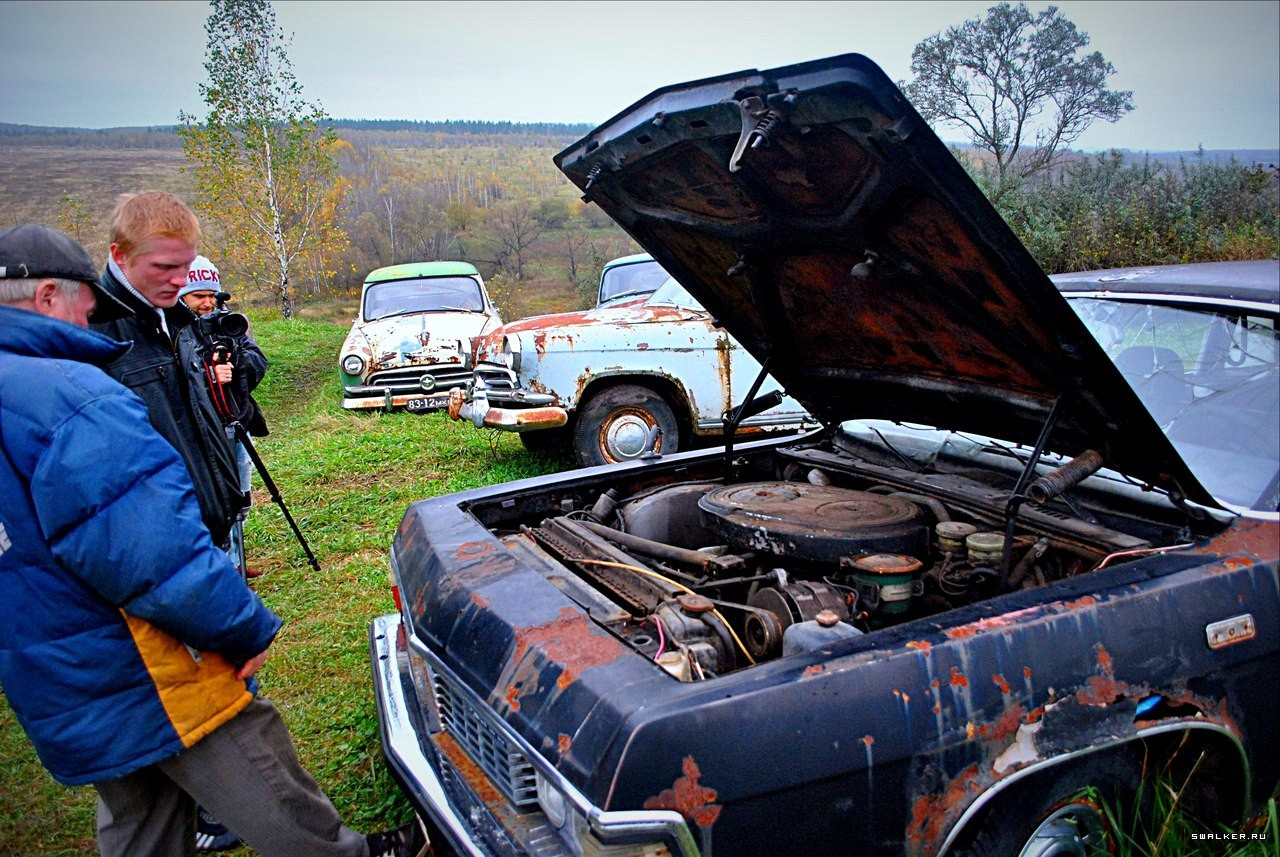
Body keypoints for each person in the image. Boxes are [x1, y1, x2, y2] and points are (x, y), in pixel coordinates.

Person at [0, 224, 426, 857]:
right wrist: (237, 628)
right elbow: (146, 551)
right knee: (249, 756)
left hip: (50, 657)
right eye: (86, 298)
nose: (92, 312)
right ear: (48, 298)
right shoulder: (70, 397)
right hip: (139, 653)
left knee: (140, 812)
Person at [90, 191, 244, 553]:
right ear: (119, 255)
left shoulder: (177, 321)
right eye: (163, 267)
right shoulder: (95, 336)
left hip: (207, 534)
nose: (179, 281)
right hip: (157, 548)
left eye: (185, 267)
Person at [180, 255, 270, 581]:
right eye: (198, 296)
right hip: (201, 432)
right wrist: (207, 375)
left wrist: (235, 361)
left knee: (240, 494)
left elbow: (258, 362)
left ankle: (235, 559)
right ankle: (218, 569)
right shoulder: (176, 331)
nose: (207, 304)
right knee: (210, 497)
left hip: (237, 422)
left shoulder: (228, 323)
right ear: (181, 296)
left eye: (211, 296)